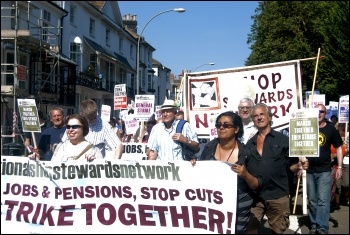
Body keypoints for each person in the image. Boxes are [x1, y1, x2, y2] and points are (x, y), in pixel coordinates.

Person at [194, 111, 262, 234]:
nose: (221, 128)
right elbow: (200, 177)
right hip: (213, 206)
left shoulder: (247, 153)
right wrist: (194, 166)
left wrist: (245, 174)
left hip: (239, 207)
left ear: (236, 129)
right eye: (219, 125)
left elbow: (256, 185)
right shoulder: (208, 149)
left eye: (226, 125)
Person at [245, 103, 309, 234]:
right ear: (252, 120)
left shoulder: (283, 140)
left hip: (278, 194)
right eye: (255, 116)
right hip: (256, 196)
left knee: (277, 230)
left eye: (262, 114)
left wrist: (299, 166)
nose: (259, 118)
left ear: (269, 117)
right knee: (250, 228)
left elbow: (290, 167)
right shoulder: (250, 143)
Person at [306, 104, 343, 234]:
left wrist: (339, 167)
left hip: (325, 171)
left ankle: (322, 227)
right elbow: (299, 147)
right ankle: (314, 224)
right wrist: (301, 164)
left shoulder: (331, 129)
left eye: (321, 111)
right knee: (312, 200)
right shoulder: (307, 128)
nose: (319, 113)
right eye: (316, 111)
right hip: (309, 170)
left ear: (325, 113)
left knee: (323, 200)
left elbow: (339, 148)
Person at [29, 114, 103, 162]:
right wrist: (36, 161)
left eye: (75, 127)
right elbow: (51, 169)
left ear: (84, 128)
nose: (70, 130)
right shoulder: (61, 146)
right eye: (68, 127)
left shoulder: (93, 150)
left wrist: (95, 163)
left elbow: (101, 177)